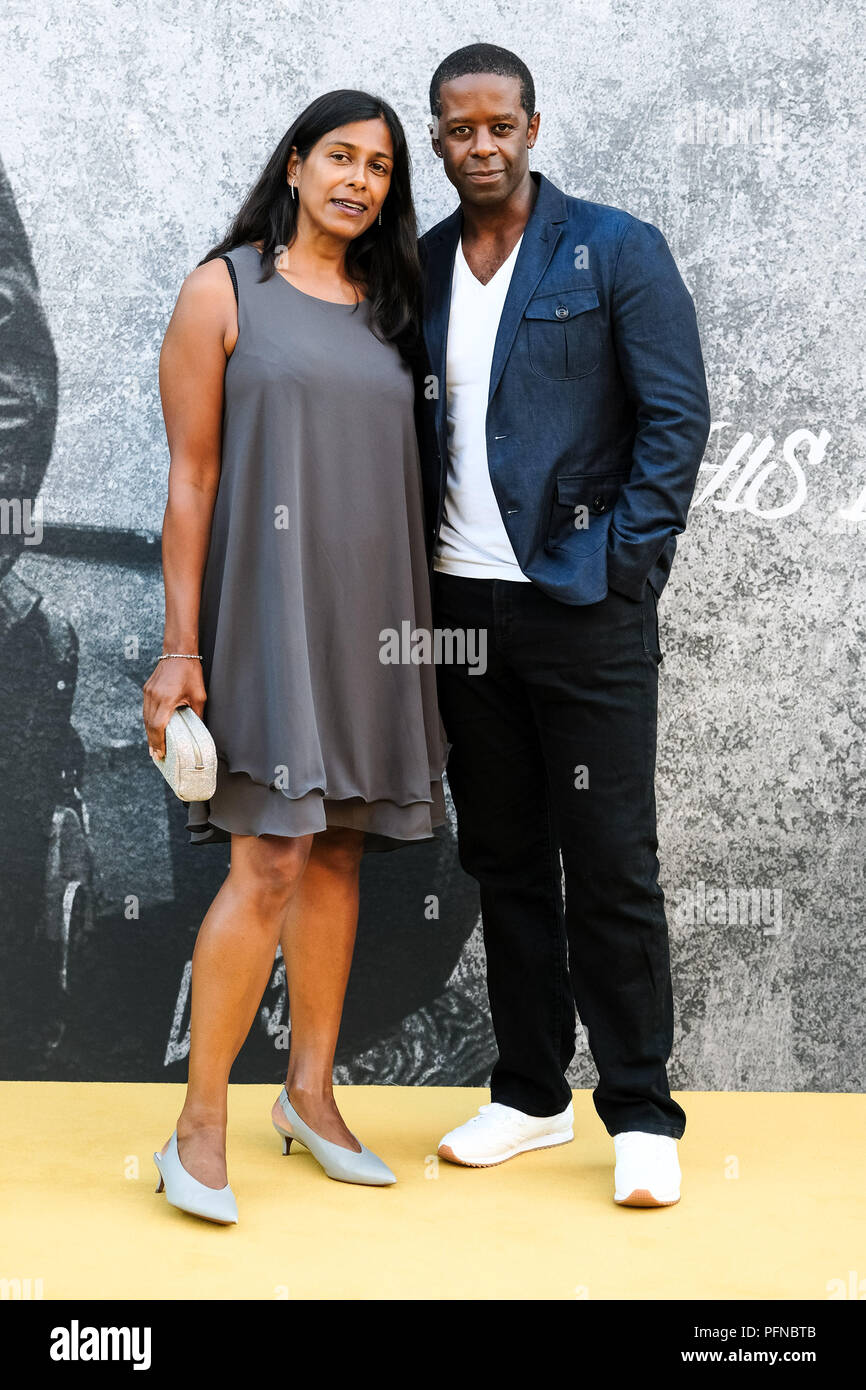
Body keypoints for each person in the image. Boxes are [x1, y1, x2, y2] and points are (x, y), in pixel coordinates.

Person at [142, 89, 446, 1224]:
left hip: (373, 613)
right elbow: (191, 478)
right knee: (267, 858)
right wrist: (182, 647)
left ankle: (309, 1096)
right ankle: (200, 1122)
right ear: (294, 163)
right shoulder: (224, 287)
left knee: (338, 856)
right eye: (340, 157)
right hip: (263, 612)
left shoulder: (388, 307)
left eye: (378, 166)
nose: (358, 181)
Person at [418, 45, 711, 1206]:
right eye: (457, 129)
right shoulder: (424, 260)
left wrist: (624, 566)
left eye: (499, 125)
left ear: (531, 128)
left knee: (607, 856)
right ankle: (530, 1092)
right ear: (435, 137)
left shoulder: (614, 248)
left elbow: (673, 414)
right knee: (501, 855)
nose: (479, 145)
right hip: (460, 613)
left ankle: (637, 1107)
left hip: (580, 608)